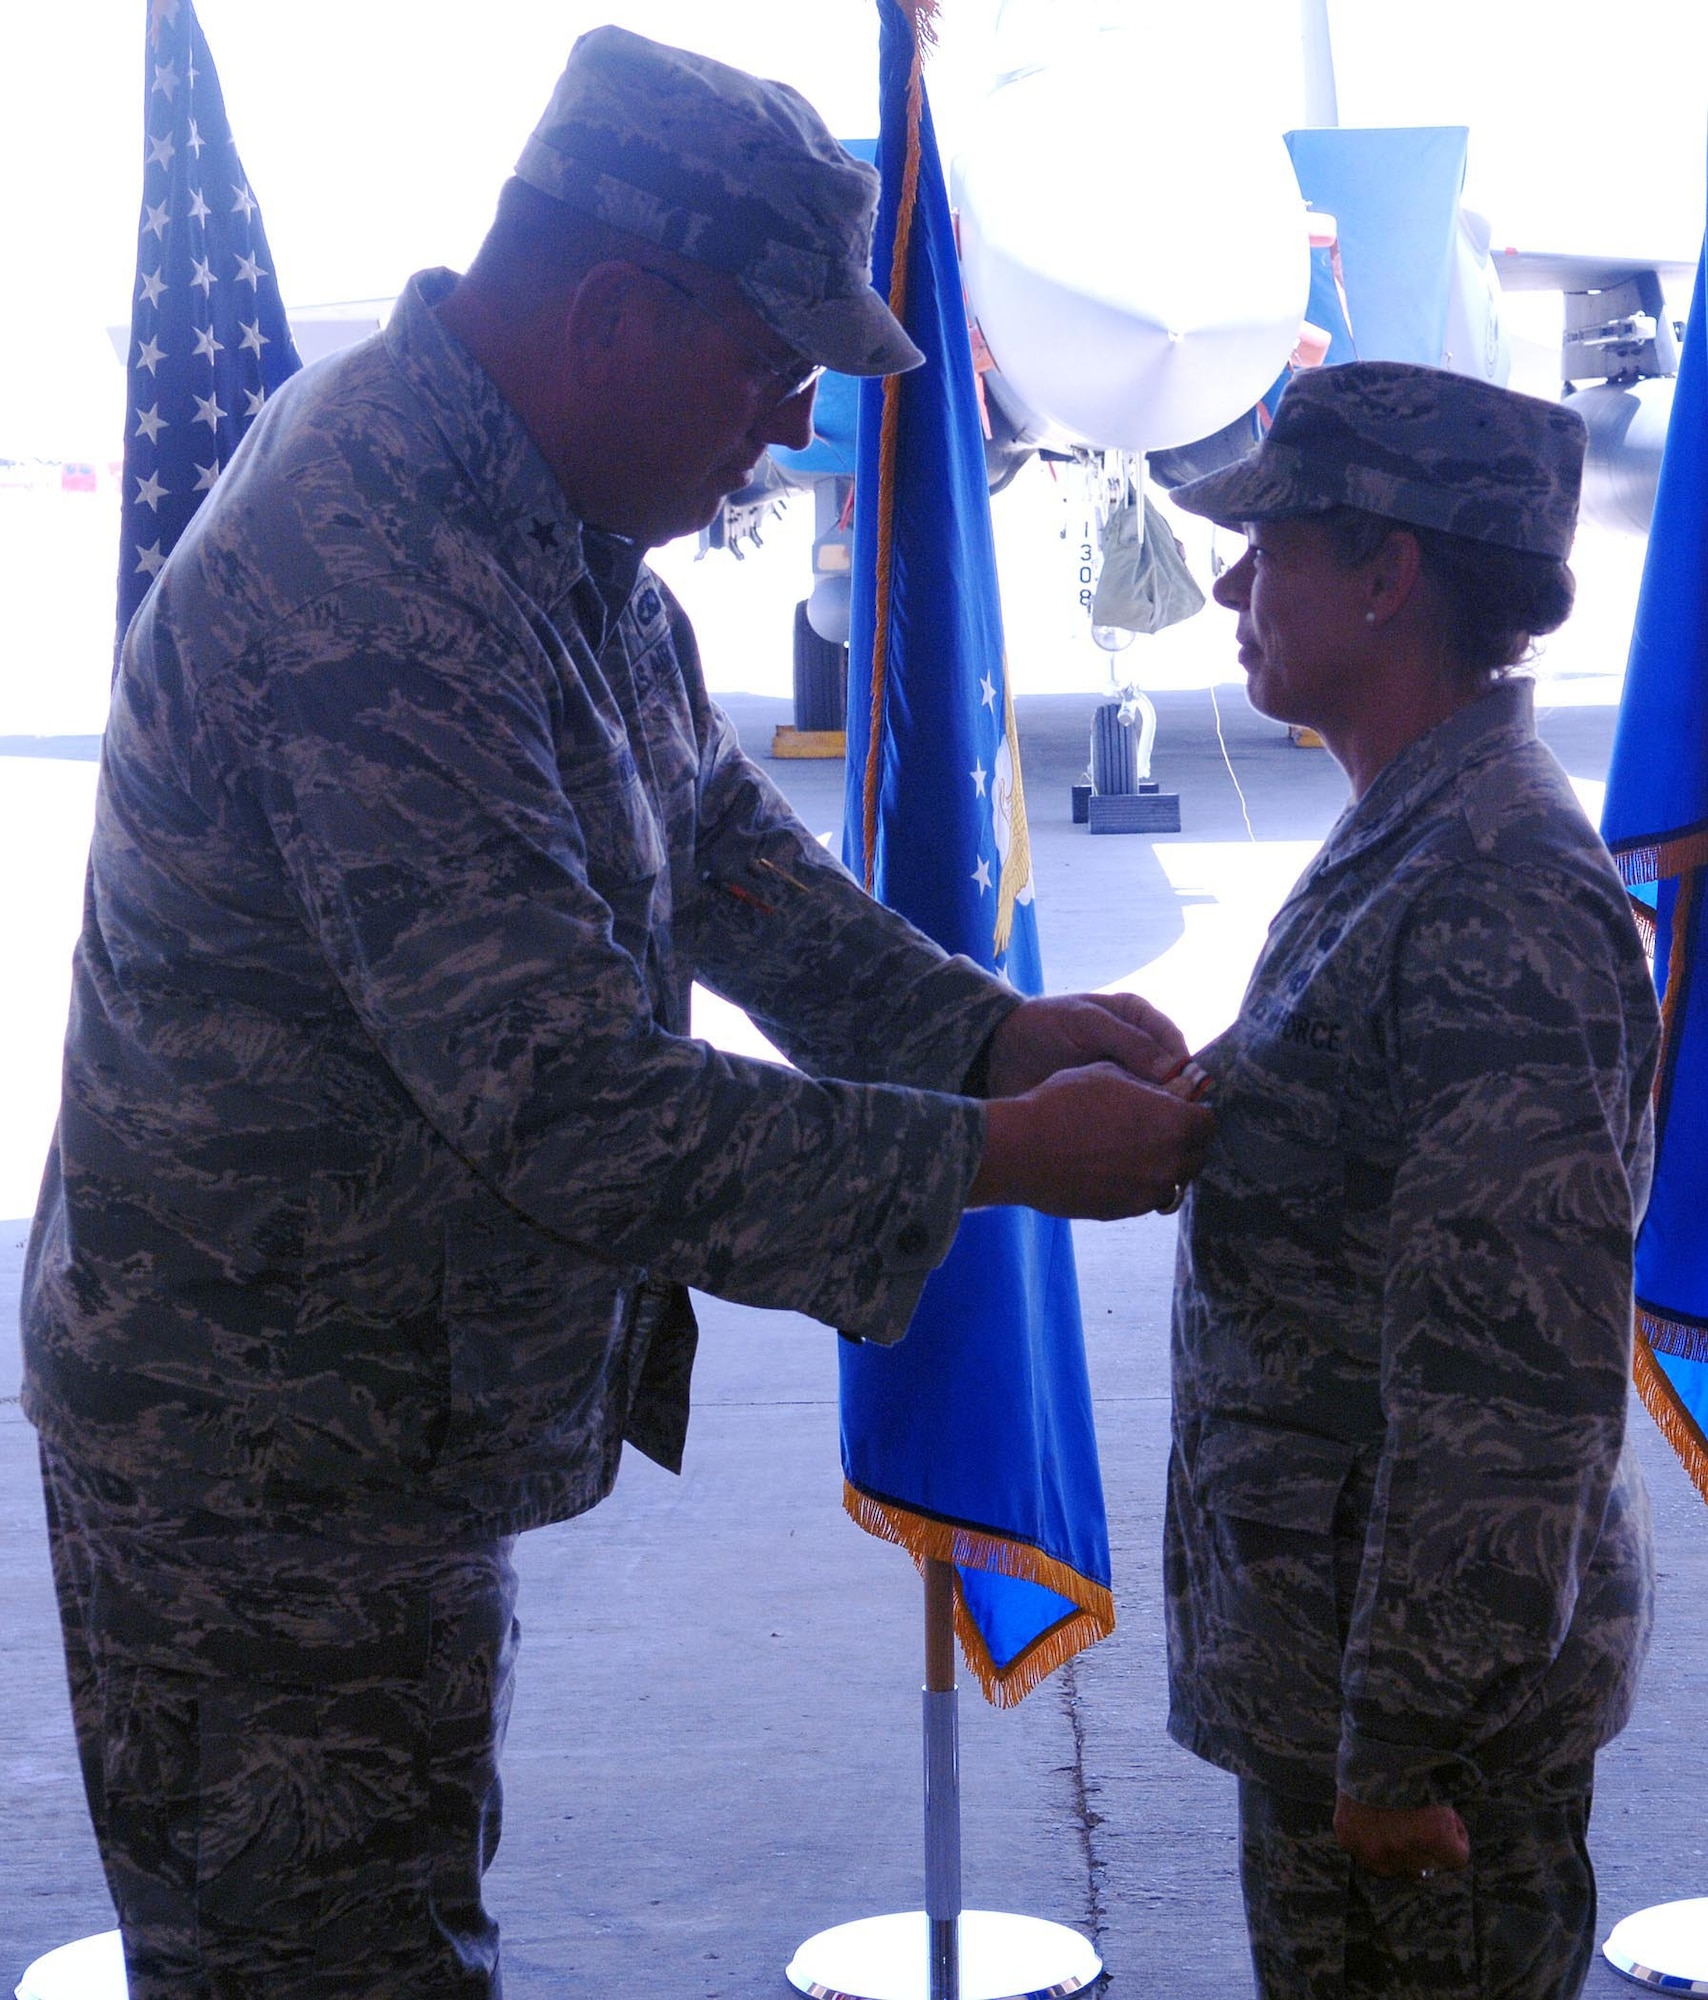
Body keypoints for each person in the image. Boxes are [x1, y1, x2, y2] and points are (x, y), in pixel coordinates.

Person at [21, 27, 1212, 1999]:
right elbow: (576, 1102)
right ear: (610, 314)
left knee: (393, 1927)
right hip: (247, 1461)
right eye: (764, 374)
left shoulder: (540, 517)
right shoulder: (364, 572)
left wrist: (982, 1034)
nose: (774, 434)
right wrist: (999, 1155)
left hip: (370, 1421)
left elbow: (717, 836)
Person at [1161, 360, 1660, 2000]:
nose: (1233, 581)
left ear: (1390, 577)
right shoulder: (1420, 835)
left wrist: (1403, 1742)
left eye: (1274, 544)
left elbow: (1514, 1385)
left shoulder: (1499, 890)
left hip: (1415, 1742)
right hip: (1344, 1679)